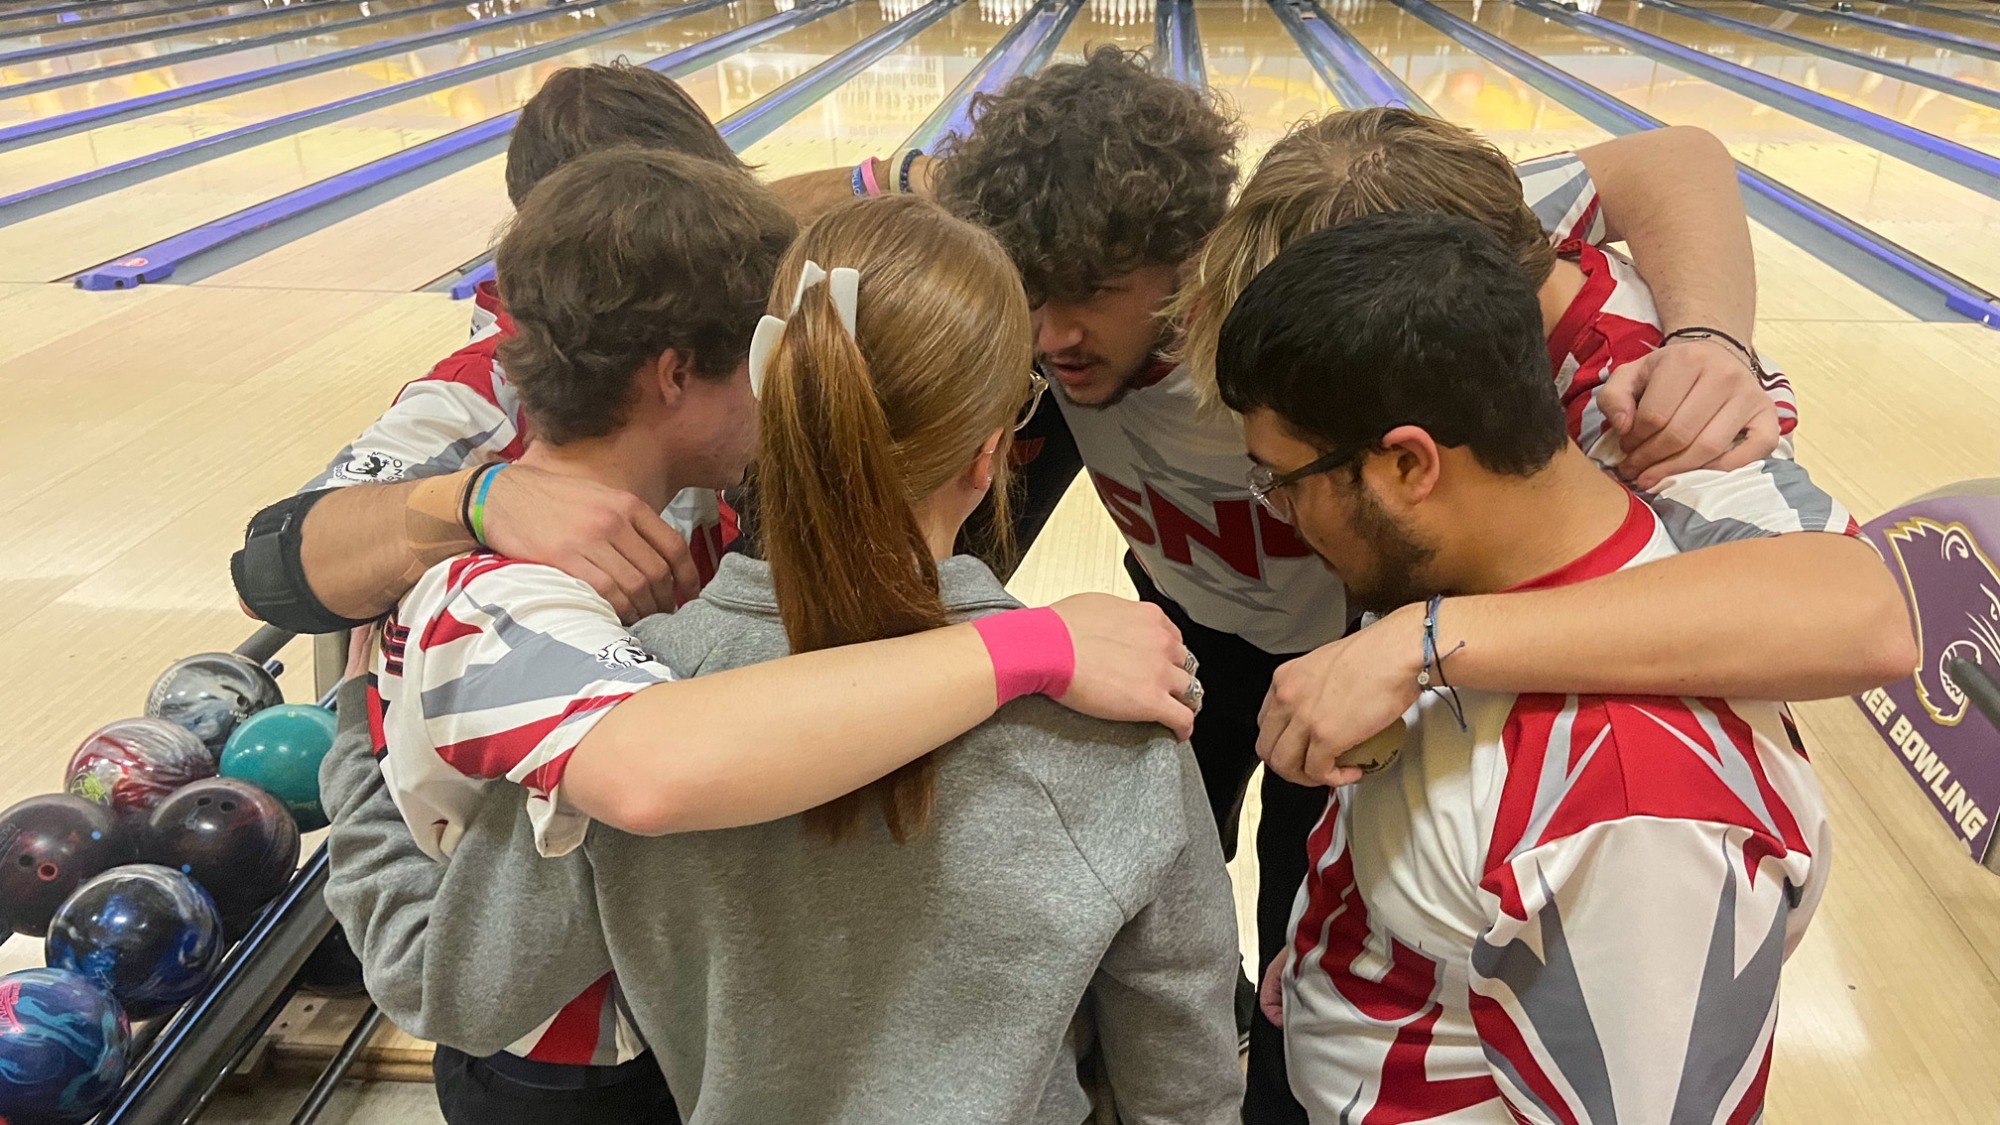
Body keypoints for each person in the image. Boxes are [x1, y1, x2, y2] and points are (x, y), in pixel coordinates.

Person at [787, 51, 1908, 1121]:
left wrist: (1425, 636)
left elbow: (1861, 613)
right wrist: (913, 181)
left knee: (1304, 874)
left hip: (1364, 654)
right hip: (1225, 635)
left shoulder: (1613, 389)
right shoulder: (1317, 215)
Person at [324, 193, 1245, 1124]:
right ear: (992, 452)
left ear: (776, 405)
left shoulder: (638, 699)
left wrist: (361, 727)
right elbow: (1184, 1086)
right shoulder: (1124, 706)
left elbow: (456, 988)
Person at [1216, 212, 1835, 1123]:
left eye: (1285, 481)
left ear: (1406, 465)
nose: (1279, 513)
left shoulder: (1628, 819)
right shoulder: (1472, 582)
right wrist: (1364, 952)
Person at [1169, 107, 1911, 788]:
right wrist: (1712, 328)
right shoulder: (1458, 221)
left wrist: (1428, 640)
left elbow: (1866, 615)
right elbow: (1674, 155)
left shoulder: (1642, 407)